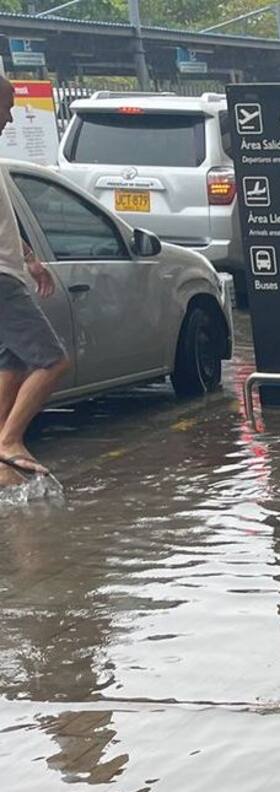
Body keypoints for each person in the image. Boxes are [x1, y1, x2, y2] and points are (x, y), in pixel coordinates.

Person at [0, 76, 68, 487]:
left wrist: (30, 259)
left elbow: (5, 221)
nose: (9, 117)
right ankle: (9, 440)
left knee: (12, 361)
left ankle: (1, 444)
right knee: (53, 359)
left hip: (10, 272)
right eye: (5, 106)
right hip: (0, 281)